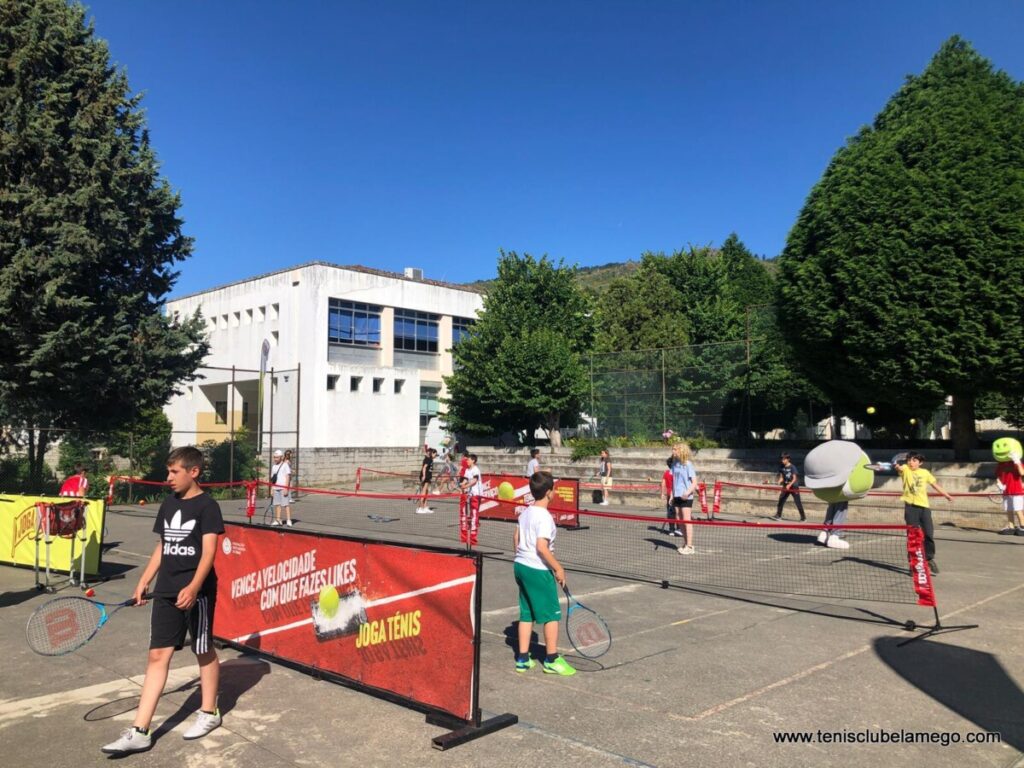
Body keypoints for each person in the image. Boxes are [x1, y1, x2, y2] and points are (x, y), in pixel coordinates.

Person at [101, 446, 225, 755]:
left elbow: (209, 553)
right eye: (168, 471)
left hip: (197, 593)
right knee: (157, 656)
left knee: (202, 650)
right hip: (166, 592)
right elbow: (163, 546)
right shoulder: (168, 504)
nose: (168, 477)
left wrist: (195, 587)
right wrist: (144, 581)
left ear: (193, 471)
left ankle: (209, 712)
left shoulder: (208, 507)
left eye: (174, 472)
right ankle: (140, 730)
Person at [512, 471, 576, 676]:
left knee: (527, 613)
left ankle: (522, 659)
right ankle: (551, 659)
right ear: (549, 492)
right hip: (537, 569)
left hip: (520, 566)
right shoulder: (545, 518)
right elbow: (541, 547)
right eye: (554, 489)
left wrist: (522, 556)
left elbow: (516, 537)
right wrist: (558, 568)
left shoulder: (525, 513)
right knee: (551, 615)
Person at [894, 452, 952, 574]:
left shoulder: (925, 473)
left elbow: (935, 485)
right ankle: (913, 564)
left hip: (924, 508)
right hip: (910, 508)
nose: (911, 462)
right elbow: (900, 468)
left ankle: (929, 558)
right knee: (913, 537)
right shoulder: (905, 469)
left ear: (920, 462)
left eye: (914, 460)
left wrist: (946, 495)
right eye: (909, 460)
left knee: (929, 535)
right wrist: (898, 467)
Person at [669, 442, 698, 554]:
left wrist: (687, 492)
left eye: (675, 449)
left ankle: (690, 546)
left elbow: (694, 482)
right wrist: (672, 494)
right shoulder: (674, 464)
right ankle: (686, 543)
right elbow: (674, 481)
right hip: (676, 495)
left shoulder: (688, 464)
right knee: (680, 520)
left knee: (686, 520)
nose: (673, 451)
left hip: (686, 496)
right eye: (672, 449)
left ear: (681, 450)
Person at [995, 450, 1024, 535]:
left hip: (1017, 490)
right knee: (1008, 509)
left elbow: (1022, 473)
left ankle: (1022, 526)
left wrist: (1017, 461)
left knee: (1018, 509)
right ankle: (1011, 526)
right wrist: (999, 484)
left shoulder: (1016, 463)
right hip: (1006, 491)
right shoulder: (1000, 464)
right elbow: (998, 476)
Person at [773, 453, 806, 521]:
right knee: (781, 500)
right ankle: (778, 515)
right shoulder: (781, 467)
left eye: (784, 459)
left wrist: (789, 485)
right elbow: (782, 477)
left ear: (788, 459)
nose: (782, 460)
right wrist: (779, 481)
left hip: (794, 487)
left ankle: (803, 517)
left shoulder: (792, 467)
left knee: (798, 502)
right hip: (785, 486)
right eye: (781, 459)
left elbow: (794, 478)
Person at [459, 453, 483, 545]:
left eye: (468, 460)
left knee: (474, 513)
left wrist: (465, 485)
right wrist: (462, 484)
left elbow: (474, 481)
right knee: (467, 513)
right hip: (469, 494)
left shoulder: (476, 470)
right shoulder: (467, 470)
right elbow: (465, 479)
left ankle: (473, 536)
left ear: (473, 460)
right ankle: (465, 536)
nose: (467, 461)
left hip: (476, 495)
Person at [271, 449, 292, 527]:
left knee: (286, 504)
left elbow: (288, 477)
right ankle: (278, 519)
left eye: (277, 457)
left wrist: (286, 488)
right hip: (276, 488)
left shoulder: (285, 465)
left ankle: (288, 520)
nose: (275, 459)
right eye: (274, 457)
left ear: (281, 457)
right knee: (277, 504)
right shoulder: (274, 467)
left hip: (283, 488)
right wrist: (272, 489)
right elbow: (273, 479)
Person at [416, 448, 436, 514]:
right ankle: (420, 508)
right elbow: (424, 467)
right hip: (426, 477)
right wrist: (424, 476)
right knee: (423, 492)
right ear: (431, 453)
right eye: (434, 454)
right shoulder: (429, 459)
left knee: (426, 491)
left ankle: (425, 507)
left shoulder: (429, 459)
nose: (435, 455)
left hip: (427, 477)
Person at [662, 457, 675, 534]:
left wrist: (663, 493)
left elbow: (663, 484)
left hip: (669, 494)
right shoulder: (677, 473)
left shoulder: (666, 473)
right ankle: (678, 528)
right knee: (677, 512)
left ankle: (671, 529)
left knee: (670, 512)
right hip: (676, 494)